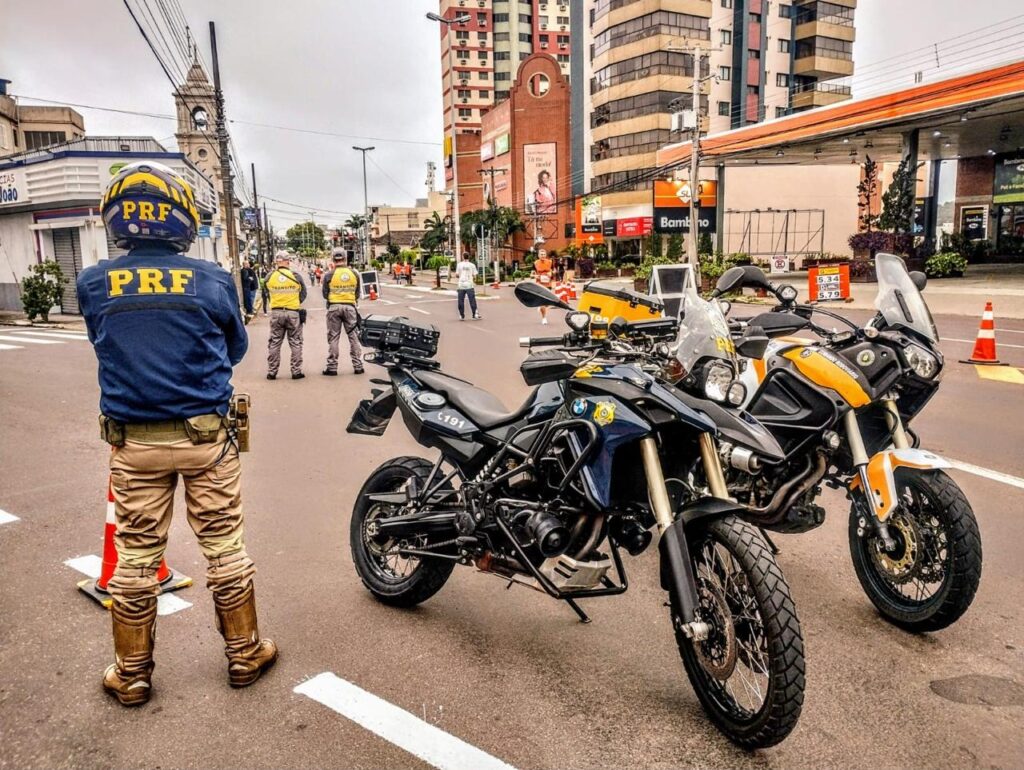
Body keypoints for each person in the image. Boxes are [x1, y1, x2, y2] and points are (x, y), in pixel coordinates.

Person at [76, 161, 276, 707]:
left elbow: (103, 340)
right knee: (224, 545)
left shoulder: (93, 282)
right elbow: (235, 349)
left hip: (133, 445)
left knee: (136, 555)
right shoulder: (211, 280)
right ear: (181, 221)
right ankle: (244, 654)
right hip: (207, 441)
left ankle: (132, 673)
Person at [322, 248, 364, 375]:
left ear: (333, 259)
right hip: (350, 308)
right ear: (346, 258)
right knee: (354, 337)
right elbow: (357, 293)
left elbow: (325, 294)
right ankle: (358, 366)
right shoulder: (354, 273)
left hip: (334, 308)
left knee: (334, 337)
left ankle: (332, 368)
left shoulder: (329, 275)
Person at [265, 251, 307, 380]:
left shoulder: (269, 277)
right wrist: (294, 302)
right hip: (293, 312)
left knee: (275, 343)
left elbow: (266, 293)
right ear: (288, 261)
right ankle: (296, 372)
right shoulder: (296, 276)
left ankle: (272, 372)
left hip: (276, 313)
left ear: (277, 262)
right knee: (295, 342)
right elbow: (303, 293)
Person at [455, 252, 481, 321]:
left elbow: (457, 275)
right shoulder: (472, 265)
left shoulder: (459, 264)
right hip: (469, 285)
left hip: (461, 285)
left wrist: (461, 275)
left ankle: (461, 315)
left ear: (463, 257)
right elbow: (475, 276)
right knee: (472, 300)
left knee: (461, 300)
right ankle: (475, 314)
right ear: (468, 257)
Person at [533, 248, 554, 324]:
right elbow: (532, 273)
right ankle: (544, 318)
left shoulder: (550, 262)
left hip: (548, 284)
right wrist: (535, 276)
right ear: (538, 255)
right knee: (542, 302)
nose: (543, 256)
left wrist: (551, 274)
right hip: (540, 284)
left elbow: (554, 271)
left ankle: (541, 306)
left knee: (548, 302)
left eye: (544, 254)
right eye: (541, 254)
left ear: (546, 255)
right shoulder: (535, 263)